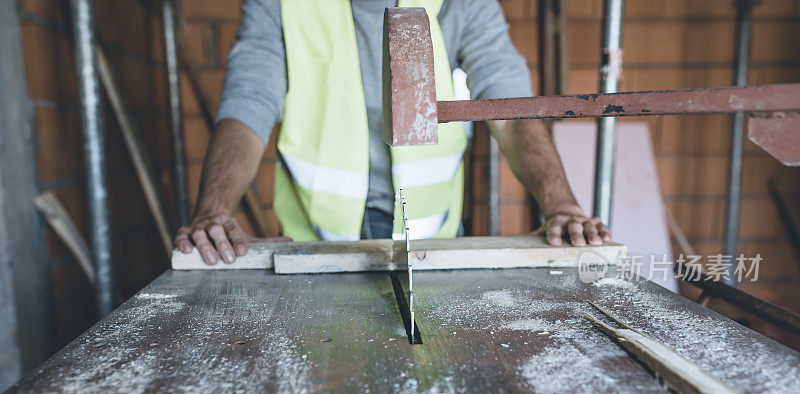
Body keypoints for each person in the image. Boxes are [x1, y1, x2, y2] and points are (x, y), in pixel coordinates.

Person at [174, 0, 612, 266]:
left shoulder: (460, 4)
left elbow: (510, 110)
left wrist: (561, 205)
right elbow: (248, 104)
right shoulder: (283, 5)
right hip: (316, 246)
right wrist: (212, 211)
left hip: (431, 244)